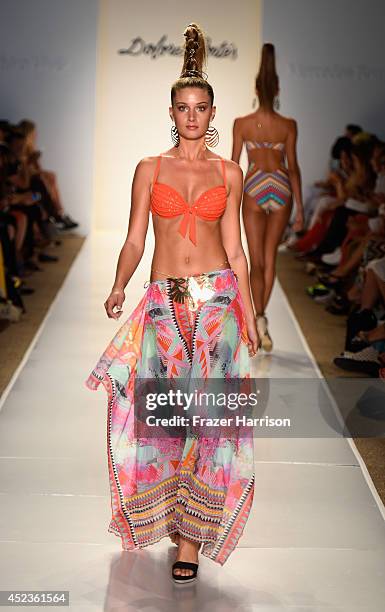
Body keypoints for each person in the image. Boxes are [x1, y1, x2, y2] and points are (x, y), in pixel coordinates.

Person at [85, 23, 259, 584]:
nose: (192, 116)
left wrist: (251, 312)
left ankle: (189, 543)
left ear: (213, 113)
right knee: (165, 420)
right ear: (171, 110)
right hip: (162, 305)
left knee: (207, 423)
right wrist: (118, 284)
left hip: (218, 307)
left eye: (201, 107)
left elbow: (235, 248)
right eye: (183, 107)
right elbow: (137, 237)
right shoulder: (149, 169)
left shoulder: (230, 173)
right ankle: (168, 517)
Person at [232, 43, 304, 351]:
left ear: (255, 86)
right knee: (270, 257)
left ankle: (253, 321)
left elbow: (234, 167)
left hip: (254, 184)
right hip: (281, 185)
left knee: (255, 260)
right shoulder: (288, 125)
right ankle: (261, 317)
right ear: (277, 89)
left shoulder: (242, 124)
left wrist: (226, 205)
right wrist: (300, 209)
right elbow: (294, 167)